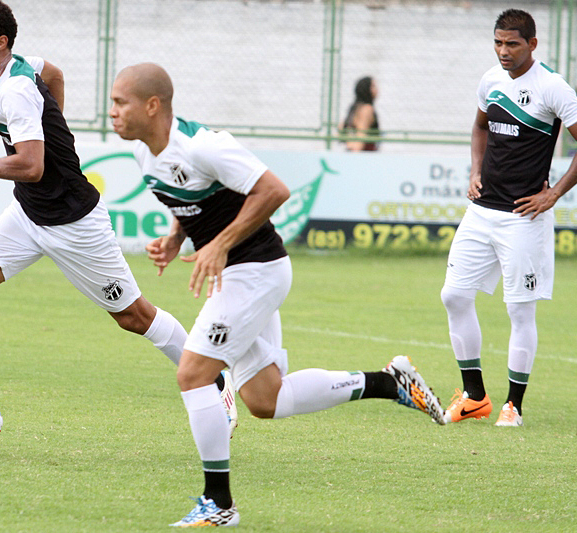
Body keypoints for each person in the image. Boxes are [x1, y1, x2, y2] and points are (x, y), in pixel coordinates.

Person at [110, 62, 445, 527]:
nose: (112, 112)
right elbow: (192, 200)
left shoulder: (204, 145)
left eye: (119, 103)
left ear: (152, 105)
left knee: (193, 373)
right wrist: (175, 238)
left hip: (255, 271)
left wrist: (220, 245)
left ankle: (219, 503)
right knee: (265, 400)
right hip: (243, 274)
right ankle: (389, 382)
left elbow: (273, 190)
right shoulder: (144, 152)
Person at [0, 1, 236, 446]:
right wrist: (54, 125)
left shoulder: (14, 92)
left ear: (0, 43)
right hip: (29, 213)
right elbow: (55, 74)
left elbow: (31, 166)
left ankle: (216, 380)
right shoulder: (24, 66)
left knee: (133, 316)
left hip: (74, 222)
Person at [441, 9, 577, 428]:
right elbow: (480, 127)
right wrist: (475, 170)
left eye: (512, 44)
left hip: (523, 218)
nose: (503, 51)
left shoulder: (552, 87)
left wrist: (553, 193)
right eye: (498, 43)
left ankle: (513, 406)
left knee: (519, 311)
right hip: (481, 211)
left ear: (532, 44)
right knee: (453, 296)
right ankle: (474, 397)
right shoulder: (491, 80)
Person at [340, 76, 379, 151]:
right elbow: (361, 135)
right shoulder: (367, 109)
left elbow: (342, 127)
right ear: (366, 89)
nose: (377, 89)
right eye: (373, 86)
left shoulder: (355, 108)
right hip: (364, 153)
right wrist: (355, 152)